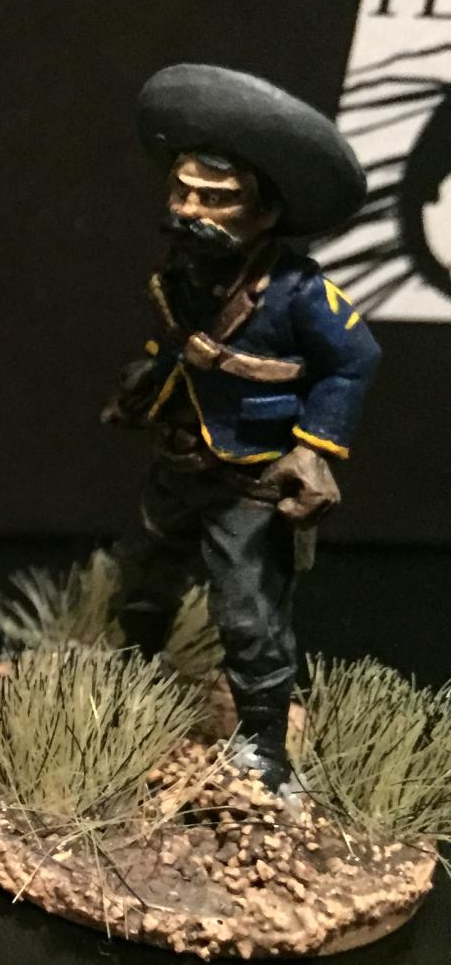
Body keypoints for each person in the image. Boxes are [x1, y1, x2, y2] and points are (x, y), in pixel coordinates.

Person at [105, 63, 378, 790]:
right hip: (177, 460)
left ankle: (263, 748)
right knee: (144, 574)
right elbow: (179, 349)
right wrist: (142, 392)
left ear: (263, 213)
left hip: (251, 480)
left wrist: (314, 452)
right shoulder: (184, 272)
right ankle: (133, 676)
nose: (190, 210)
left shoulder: (300, 294)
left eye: (216, 199)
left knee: (250, 616)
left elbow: (353, 361)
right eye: (183, 192)